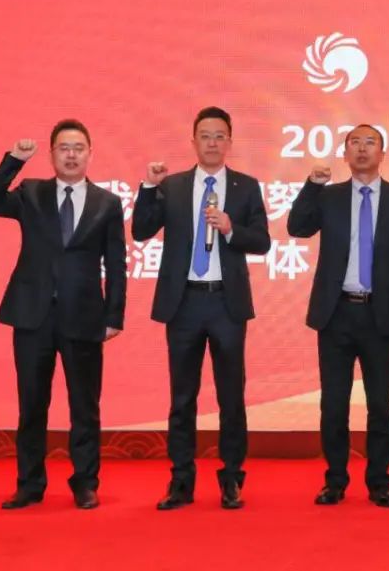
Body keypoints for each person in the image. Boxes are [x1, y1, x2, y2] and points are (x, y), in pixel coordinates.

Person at [0, 119, 126, 511]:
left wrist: (114, 315)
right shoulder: (31, 192)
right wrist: (14, 160)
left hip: (84, 316)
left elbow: (116, 263)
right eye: (64, 148)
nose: (71, 154)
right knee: (31, 405)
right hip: (33, 315)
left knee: (84, 406)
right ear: (51, 154)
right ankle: (29, 484)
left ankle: (85, 483)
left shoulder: (107, 203)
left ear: (90, 153)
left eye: (78, 148)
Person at [131, 106, 270, 510]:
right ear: (193, 142)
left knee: (231, 397)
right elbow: (140, 230)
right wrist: (148, 187)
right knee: (182, 397)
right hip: (184, 303)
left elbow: (262, 241)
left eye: (219, 136)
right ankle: (181, 481)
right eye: (205, 136)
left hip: (226, 303)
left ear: (230, 142)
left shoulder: (246, 187)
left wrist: (231, 228)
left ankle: (232, 478)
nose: (212, 143)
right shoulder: (173, 186)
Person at [286, 124, 389, 508]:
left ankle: (379, 483)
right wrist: (312, 185)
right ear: (345, 154)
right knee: (334, 405)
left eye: (370, 143)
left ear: (382, 153)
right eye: (354, 143)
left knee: (380, 406)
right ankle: (335, 481)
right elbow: (297, 227)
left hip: (380, 314)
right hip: (336, 313)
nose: (362, 149)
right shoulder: (329, 197)